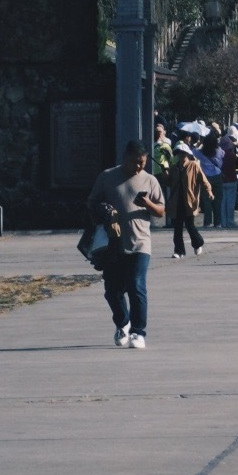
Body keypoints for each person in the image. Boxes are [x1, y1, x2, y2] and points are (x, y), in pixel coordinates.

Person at [89, 140, 164, 348]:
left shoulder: (150, 180)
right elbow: (91, 204)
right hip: (113, 245)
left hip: (140, 243)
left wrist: (147, 204)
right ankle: (123, 323)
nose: (139, 166)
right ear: (125, 158)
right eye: (135, 162)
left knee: (136, 285)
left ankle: (138, 332)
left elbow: (161, 211)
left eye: (143, 162)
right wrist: (103, 211)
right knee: (112, 291)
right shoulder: (107, 177)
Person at [169, 137, 208, 258]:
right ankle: (179, 251)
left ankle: (198, 243)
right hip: (177, 201)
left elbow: (203, 180)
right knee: (178, 227)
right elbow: (169, 183)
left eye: (183, 153)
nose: (181, 155)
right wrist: (166, 174)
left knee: (190, 225)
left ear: (187, 154)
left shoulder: (194, 165)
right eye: (179, 153)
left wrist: (209, 192)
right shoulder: (174, 168)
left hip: (190, 200)